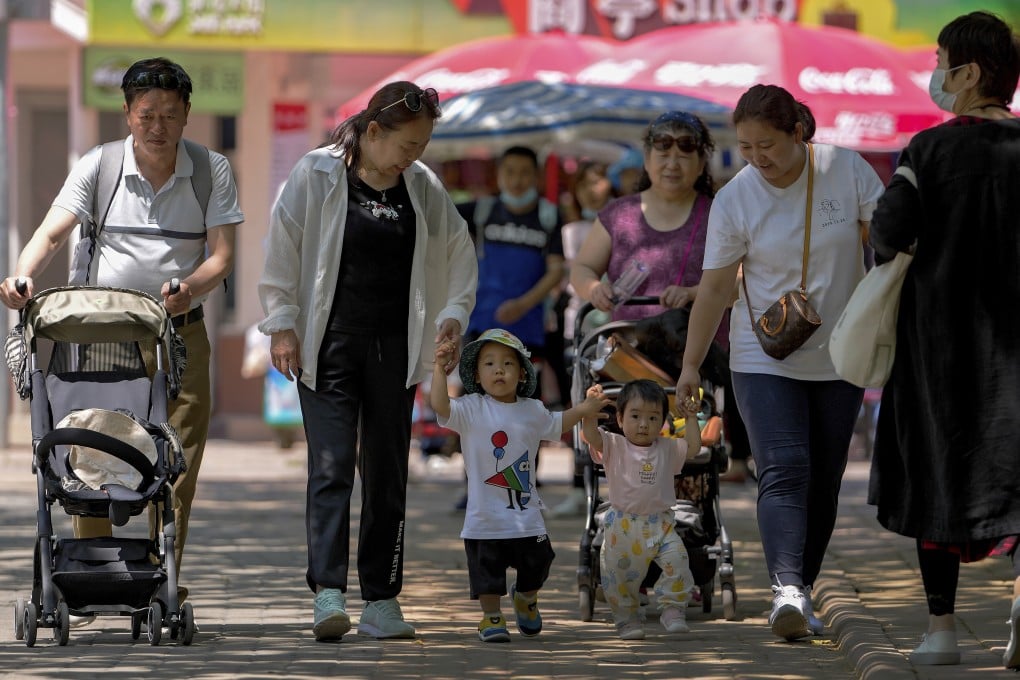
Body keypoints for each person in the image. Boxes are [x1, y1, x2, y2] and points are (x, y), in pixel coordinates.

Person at [0, 57, 243, 608]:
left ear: (186, 115)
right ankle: (97, 572)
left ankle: (164, 571)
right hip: (103, 332)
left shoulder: (211, 170)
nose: (157, 126)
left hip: (180, 331)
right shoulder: (100, 165)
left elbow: (224, 256)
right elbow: (52, 232)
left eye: (169, 115)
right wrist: (22, 275)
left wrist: (189, 288)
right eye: (146, 114)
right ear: (128, 113)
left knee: (177, 455)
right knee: (95, 443)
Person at [257, 81, 477, 642]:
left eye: (423, 145)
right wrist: (281, 322)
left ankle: (382, 599)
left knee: (386, 476)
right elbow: (282, 245)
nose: (415, 155)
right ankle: (328, 594)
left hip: (395, 350)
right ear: (373, 131)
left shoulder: (422, 186)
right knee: (329, 468)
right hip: (327, 346)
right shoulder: (317, 173)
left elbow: (458, 250)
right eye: (408, 145)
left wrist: (451, 313)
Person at [675, 84, 884, 641]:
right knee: (785, 468)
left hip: (842, 350)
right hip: (762, 353)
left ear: (799, 133)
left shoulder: (846, 169)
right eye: (745, 148)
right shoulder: (736, 198)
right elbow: (716, 287)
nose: (757, 158)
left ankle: (803, 589)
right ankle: (785, 589)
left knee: (825, 479)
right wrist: (691, 364)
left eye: (766, 145)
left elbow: (886, 251)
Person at [865, 11, 1020, 669]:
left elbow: (887, 236)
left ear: (969, 72)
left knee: (936, 478)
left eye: (940, 60)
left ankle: (943, 633)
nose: (934, 73)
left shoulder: (927, 152)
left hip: (941, 353)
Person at [430, 328, 609, 642]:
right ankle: (491, 617)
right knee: (487, 575)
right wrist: (438, 369)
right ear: (476, 373)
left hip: (526, 515)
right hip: (484, 518)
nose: (499, 369)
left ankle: (526, 597)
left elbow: (558, 422)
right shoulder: (471, 408)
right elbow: (441, 407)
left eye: (508, 364)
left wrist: (584, 409)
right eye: (489, 363)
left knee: (540, 561)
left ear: (523, 375)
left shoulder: (532, 410)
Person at [451, 146, 566, 509]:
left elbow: (556, 270)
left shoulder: (548, 216)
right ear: (498, 176)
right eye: (509, 172)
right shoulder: (482, 211)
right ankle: (473, 487)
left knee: (525, 409)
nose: (516, 180)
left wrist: (524, 304)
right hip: (482, 325)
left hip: (528, 329)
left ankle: (524, 483)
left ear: (534, 177)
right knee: (476, 408)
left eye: (523, 173)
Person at [580, 379, 701, 640]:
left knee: (678, 562)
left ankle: (672, 610)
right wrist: (589, 412)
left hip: (662, 524)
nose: (644, 424)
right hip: (622, 526)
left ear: (663, 423)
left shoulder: (667, 448)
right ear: (620, 419)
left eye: (652, 418)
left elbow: (693, 447)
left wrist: (691, 418)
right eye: (635, 416)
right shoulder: (614, 445)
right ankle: (627, 619)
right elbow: (590, 436)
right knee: (617, 575)